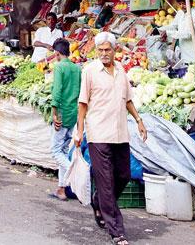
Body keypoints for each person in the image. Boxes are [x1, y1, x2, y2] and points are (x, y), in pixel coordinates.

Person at [75, 32, 147, 245]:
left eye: (108, 50)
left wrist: (139, 120)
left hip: (120, 132)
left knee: (123, 175)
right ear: (96, 51)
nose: (104, 54)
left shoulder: (121, 71)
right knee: (105, 181)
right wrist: (80, 131)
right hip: (98, 133)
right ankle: (117, 230)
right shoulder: (89, 72)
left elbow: (128, 100)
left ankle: (99, 202)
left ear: (115, 50)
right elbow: (82, 103)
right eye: (101, 50)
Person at [48, 38, 81, 201]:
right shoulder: (77, 69)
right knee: (62, 151)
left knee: (55, 151)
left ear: (57, 53)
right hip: (73, 113)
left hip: (61, 113)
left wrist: (54, 114)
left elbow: (57, 92)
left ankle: (75, 172)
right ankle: (61, 189)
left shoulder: (59, 67)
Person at [166, 0, 195, 65]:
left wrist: (168, 33)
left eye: (184, 3)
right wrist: (159, 30)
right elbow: (173, 25)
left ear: (190, 2)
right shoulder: (180, 13)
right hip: (185, 54)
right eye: (180, 4)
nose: (182, 6)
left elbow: (188, 34)